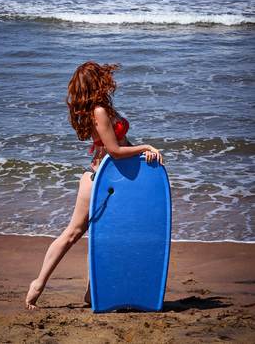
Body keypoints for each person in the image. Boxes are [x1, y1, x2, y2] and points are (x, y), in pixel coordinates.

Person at [25, 62, 164, 309]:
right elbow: (115, 151)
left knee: (103, 235)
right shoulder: (99, 112)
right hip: (97, 180)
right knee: (73, 233)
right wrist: (146, 147)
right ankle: (38, 284)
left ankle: (92, 293)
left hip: (114, 181)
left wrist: (143, 160)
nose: (107, 78)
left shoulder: (103, 109)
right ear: (96, 82)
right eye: (101, 76)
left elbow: (121, 143)